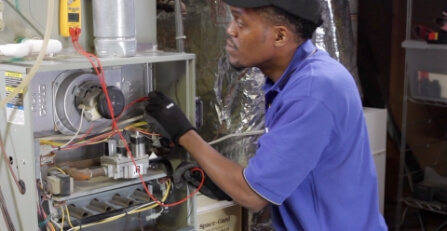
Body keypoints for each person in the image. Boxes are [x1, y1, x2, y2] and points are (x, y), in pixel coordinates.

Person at [145, 0, 388, 230]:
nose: (230, 30)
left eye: (240, 22)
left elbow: (252, 196)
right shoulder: (301, 78)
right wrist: (228, 184)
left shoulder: (311, 92)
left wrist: (184, 133)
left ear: (280, 36)